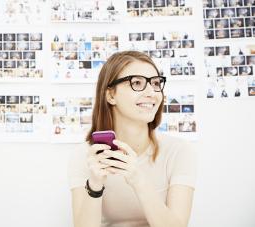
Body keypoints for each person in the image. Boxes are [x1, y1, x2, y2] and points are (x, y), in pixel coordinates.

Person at [68, 51, 197, 227]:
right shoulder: (86, 156)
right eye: (137, 83)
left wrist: (137, 178)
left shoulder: (178, 151)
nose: (152, 92)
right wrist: (95, 185)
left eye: (156, 83)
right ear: (111, 95)